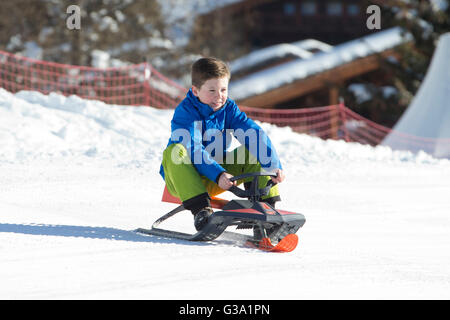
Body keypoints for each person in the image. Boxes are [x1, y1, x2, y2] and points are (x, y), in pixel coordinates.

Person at [159, 57, 285, 231]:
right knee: (175, 151)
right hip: (183, 181)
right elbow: (192, 148)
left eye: (223, 89)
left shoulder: (228, 109)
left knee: (252, 150)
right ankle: (202, 212)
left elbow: (253, 134)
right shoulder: (185, 113)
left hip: (217, 177)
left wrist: (272, 165)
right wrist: (218, 174)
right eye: (212, 90)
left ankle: (265, 211)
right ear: (195, 91)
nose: (219, 97)